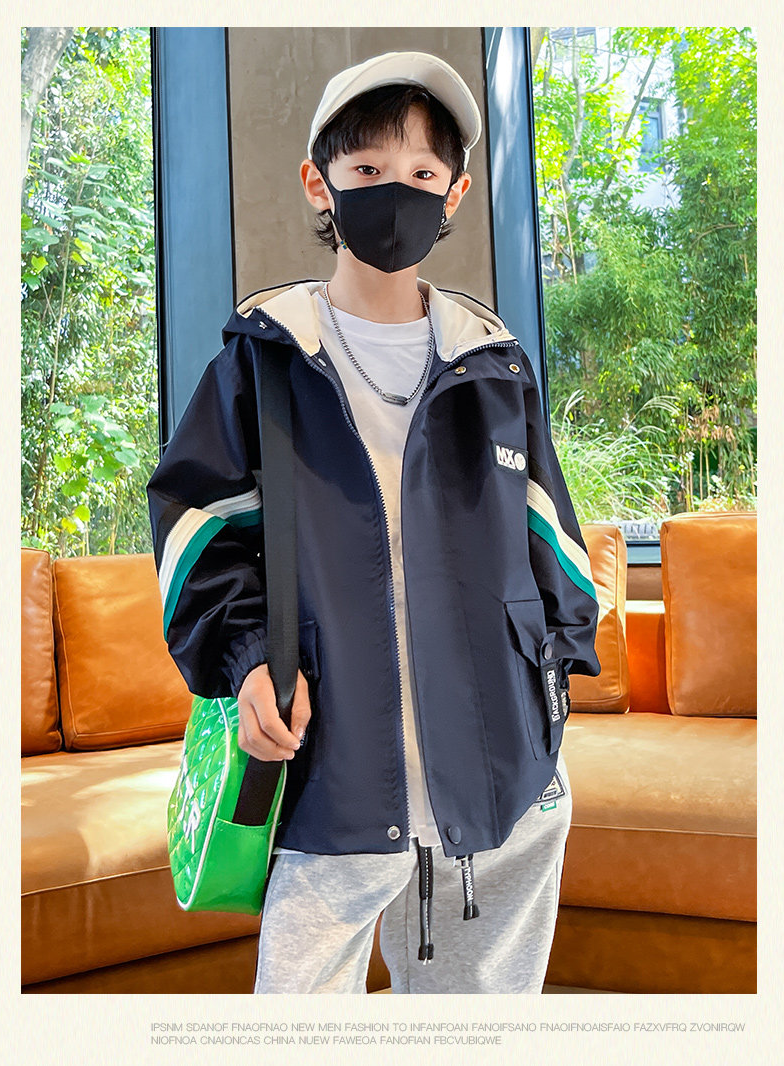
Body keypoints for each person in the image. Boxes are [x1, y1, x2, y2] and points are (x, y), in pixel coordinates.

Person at [146, 50, 601, 995]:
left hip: (503, 778)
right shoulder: (264, 359)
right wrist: (247, 663)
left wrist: (551, 679)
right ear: (320, 181)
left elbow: (550, 532)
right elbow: (195, 527)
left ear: (456, 193)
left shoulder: (496, 365)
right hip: (332, 768)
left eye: (423, 173)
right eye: (366, 168)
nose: (395, 190)